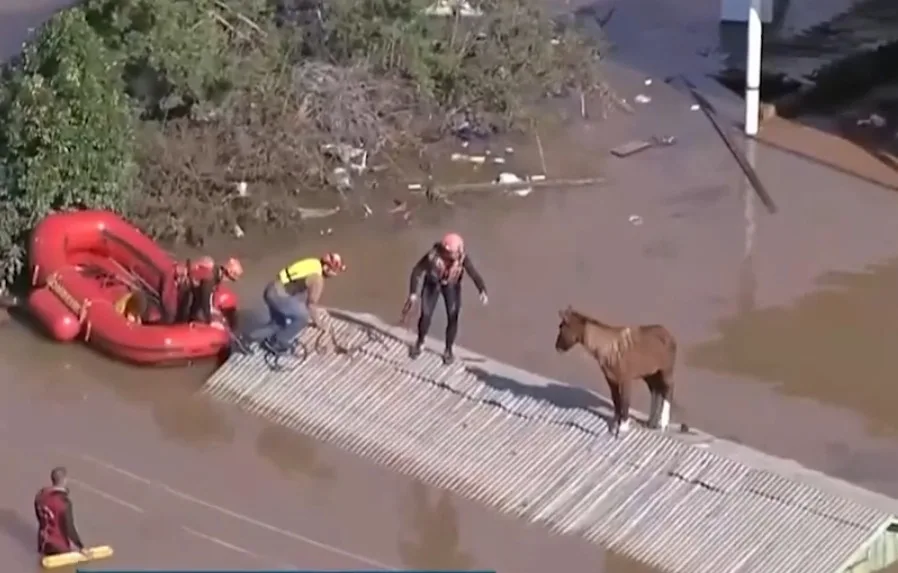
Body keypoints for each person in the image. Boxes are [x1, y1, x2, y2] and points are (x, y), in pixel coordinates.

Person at [404, 233, 488, 365]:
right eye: (453, 253)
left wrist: (482, 290)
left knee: (453, 315)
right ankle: (420, 342)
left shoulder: (462, 258)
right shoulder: (432, 257)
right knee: (425, 315)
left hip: (451, 286)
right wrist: (413, 293)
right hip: (432, 283)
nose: (456, 255)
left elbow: (473, 273)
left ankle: (448, 349)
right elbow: (417, 271)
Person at [243, 252, 346, 354]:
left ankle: (246, 339)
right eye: (334, 271)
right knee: (303, 317)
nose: (333, 274)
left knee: (278, 323)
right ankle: (278, 342)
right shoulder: (317, 279)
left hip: (272, 288)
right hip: (279, 295)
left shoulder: (313, 262)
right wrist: (319, 323)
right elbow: (311, 304)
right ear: (327, 268)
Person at [34, 466, 88, 558]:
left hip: (43, 544)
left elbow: (39, 517)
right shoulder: (64, 503)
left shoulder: (40, 496)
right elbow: (69, 528)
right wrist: (81, 547)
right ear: (65, 480)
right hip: (59, 548)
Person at [175, 256, 243, 325]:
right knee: (182, 310)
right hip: (181, 284)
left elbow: (199, 298)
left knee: (194, 304)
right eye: (230, 279)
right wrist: (209, 321)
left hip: (188, 284)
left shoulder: (215, 270)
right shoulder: (210, 278)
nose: (228, 281)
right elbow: (205, 301)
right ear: (226, 275)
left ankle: (188, 320)